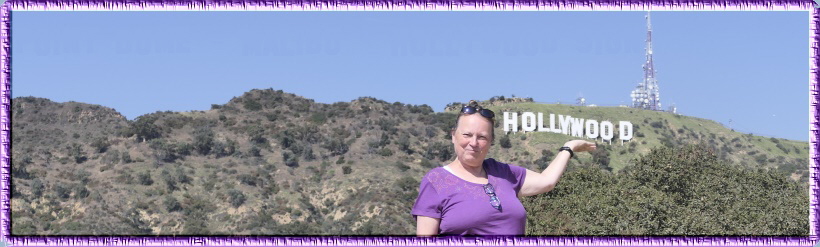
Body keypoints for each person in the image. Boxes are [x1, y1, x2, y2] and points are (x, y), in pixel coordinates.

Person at [411, 100, 596, 236]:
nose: (473, 143)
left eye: (482, 137)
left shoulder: (503, 173)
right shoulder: (436, 181)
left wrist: (568, 148)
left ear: (491, 142)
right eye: (467, 134)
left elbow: (546, 181)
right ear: (453, 136)